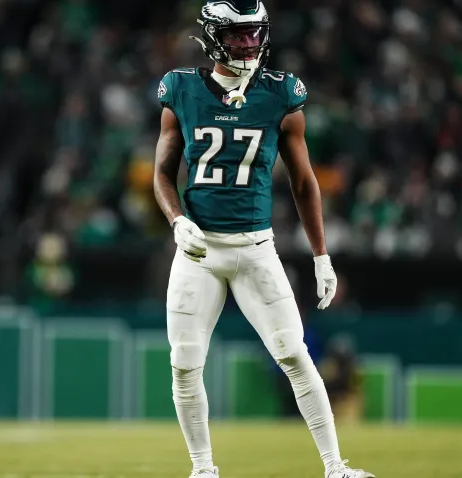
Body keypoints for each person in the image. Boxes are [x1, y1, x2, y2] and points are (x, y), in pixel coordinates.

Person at [152, 1, 375, 477]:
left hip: (256, 249)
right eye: (237, 35)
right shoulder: (183, 89)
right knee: (185, 362)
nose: (249, 44)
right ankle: (203, 469)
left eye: (254, 34)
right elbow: (163, 174)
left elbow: (304, 180)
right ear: (213, 36)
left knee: (295, 353)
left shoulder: (281, 93)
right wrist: (177, 220)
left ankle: (336, 468)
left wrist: (321, 255)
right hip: (200, 250)